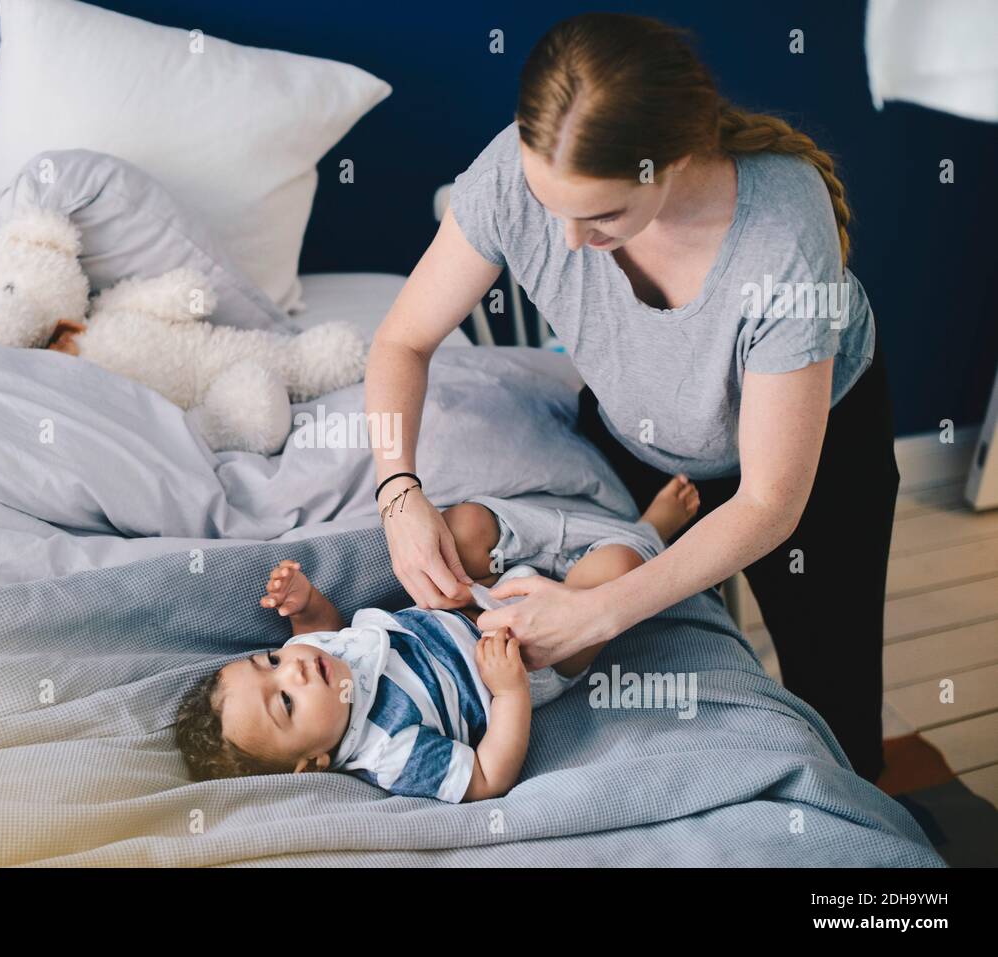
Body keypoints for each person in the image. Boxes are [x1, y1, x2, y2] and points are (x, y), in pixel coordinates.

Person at [363, 13, 898, 782]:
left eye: (603, 216)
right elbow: (400, 341)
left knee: (835, 688)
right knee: (668, 673)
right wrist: (396, 486)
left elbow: (770, 502)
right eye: (555, 210)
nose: (571, 244)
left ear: (674, 158)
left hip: (809, 459)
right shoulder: (517, 175)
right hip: (641, 431)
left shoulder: (782, 233)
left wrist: (599, 609)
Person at [175, 483, 697, 802]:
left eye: (270, 661)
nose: (296, 671)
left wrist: (305, 604)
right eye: (285, 703)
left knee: (466, 523)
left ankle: (552, 545)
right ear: (312, 762)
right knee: (614, 571)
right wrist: (510, 691)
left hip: (469, 599)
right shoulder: (390, 751)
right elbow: (488, 778)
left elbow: (321, 633)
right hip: (524, 654)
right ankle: (649, 530)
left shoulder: (321, 661)